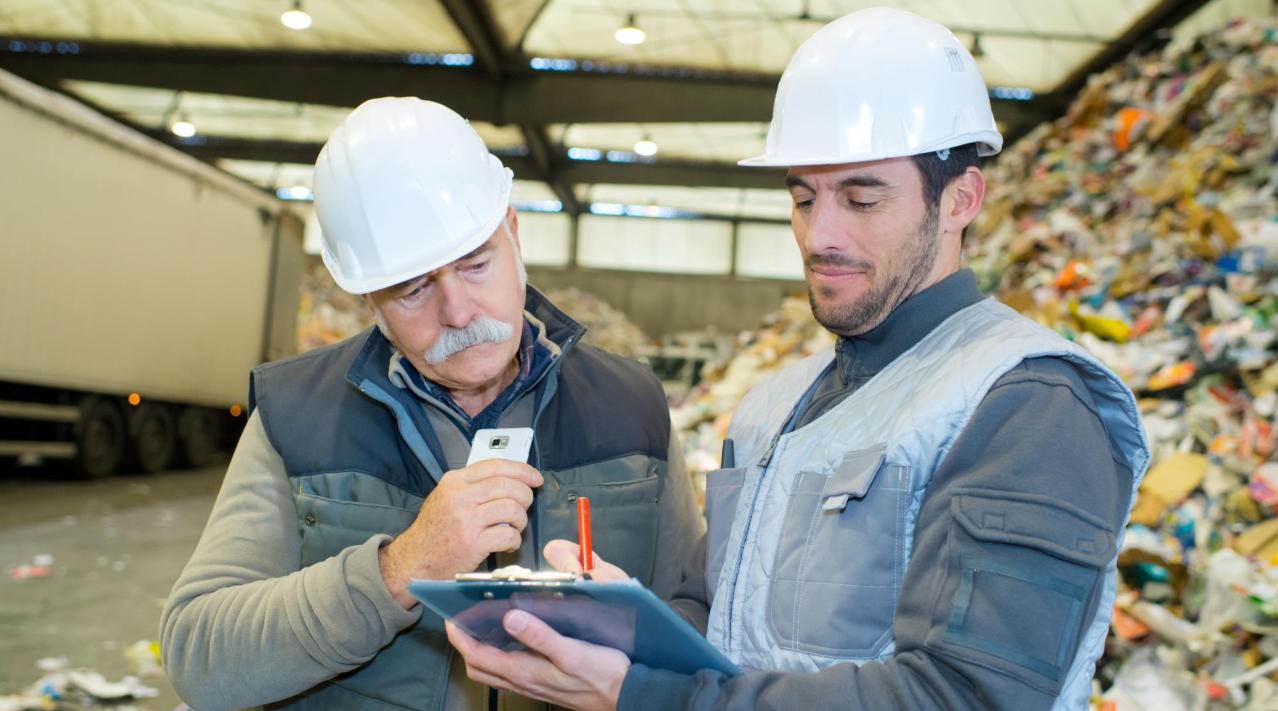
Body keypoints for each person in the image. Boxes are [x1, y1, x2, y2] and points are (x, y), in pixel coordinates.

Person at [446, 7, 1150, 710]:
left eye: (862, 197)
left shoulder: (1029, 402)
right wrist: (615, 634)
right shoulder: (770, 409)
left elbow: (965, 694)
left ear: (960, 198)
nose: (820, 234)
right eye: (804, 197)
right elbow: (711, 617)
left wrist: (650, 696)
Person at [159, 97, 704, 711]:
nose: (459, 313)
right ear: (370, 297)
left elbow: (695, 615)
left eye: (476, 265)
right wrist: (400, 568)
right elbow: (201, 658)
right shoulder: (296, 418)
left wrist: (622, 662)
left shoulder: (631, 407)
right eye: (413, 289)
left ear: (514, 232)